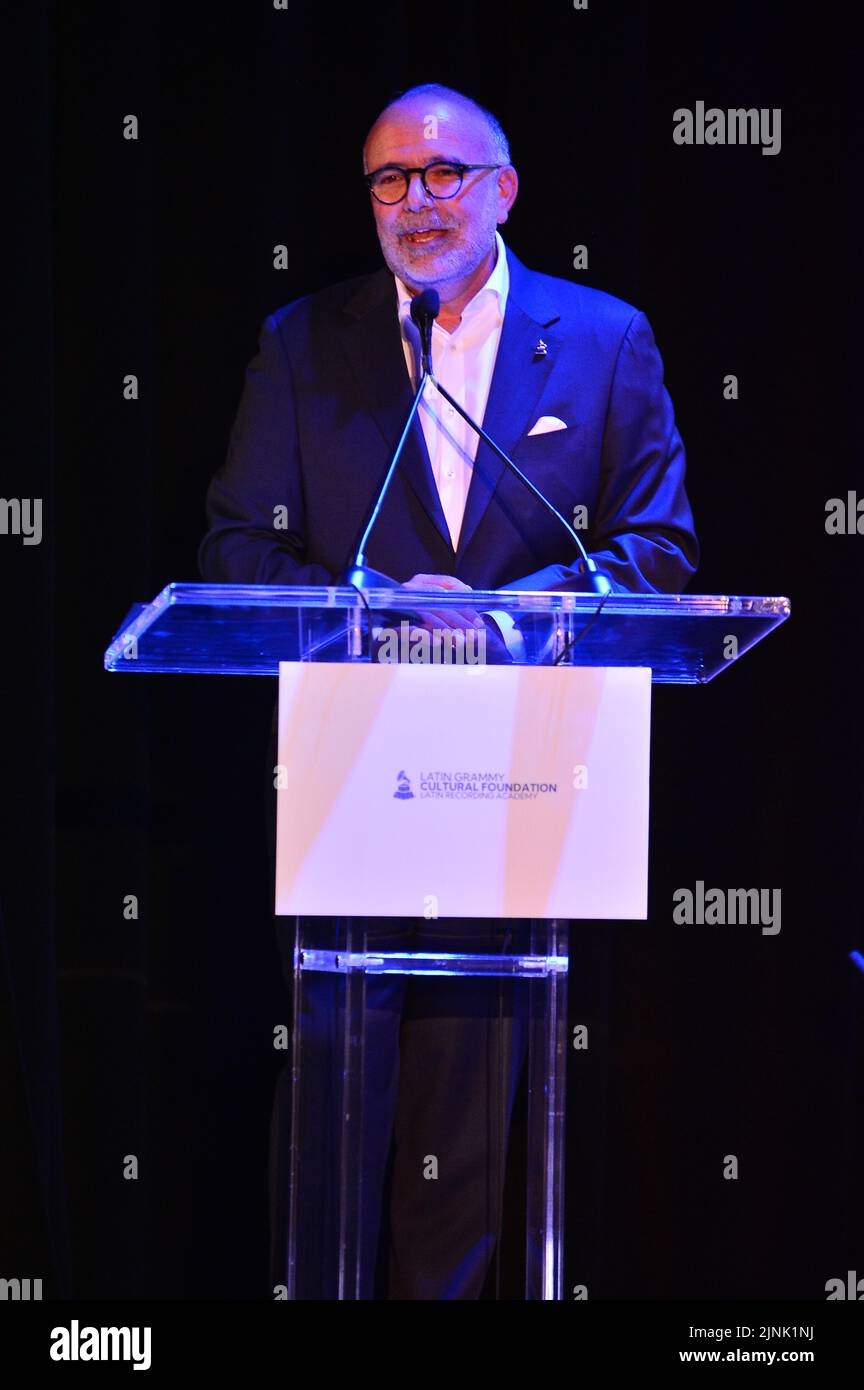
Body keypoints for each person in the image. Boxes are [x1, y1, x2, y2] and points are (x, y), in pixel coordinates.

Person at [198, 82, 699, 1299]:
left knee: (472, 1109)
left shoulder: (603, 338)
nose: (415, 201)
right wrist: (370, 606)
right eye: (388, 180)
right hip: (349, 774)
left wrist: (515, 617)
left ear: (504, 190)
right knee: (336, 1082)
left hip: (522, 771)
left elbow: (661, 549)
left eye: (443, 175)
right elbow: (235, 555)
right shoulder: (304, 341)